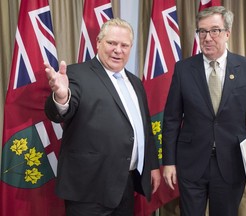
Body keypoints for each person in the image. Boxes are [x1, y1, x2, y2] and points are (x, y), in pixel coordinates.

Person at [162, 6, 246, 216]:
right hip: (191, 162)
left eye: (214, 30)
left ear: (227, 33)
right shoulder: (183, 69)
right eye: (202, 31)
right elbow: (171, 119)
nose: (207, 37)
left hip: (231, 163)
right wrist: (168, 162)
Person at [44, 18, 161, 216]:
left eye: (124, 45)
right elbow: (60, 111)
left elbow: (144, 128)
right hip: (88, 188)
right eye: (112, 43)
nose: (118, 50)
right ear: (98, 42)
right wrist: (61, 97)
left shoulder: (135, 82)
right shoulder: (77, 74)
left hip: (125, 184)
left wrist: (152, 165)